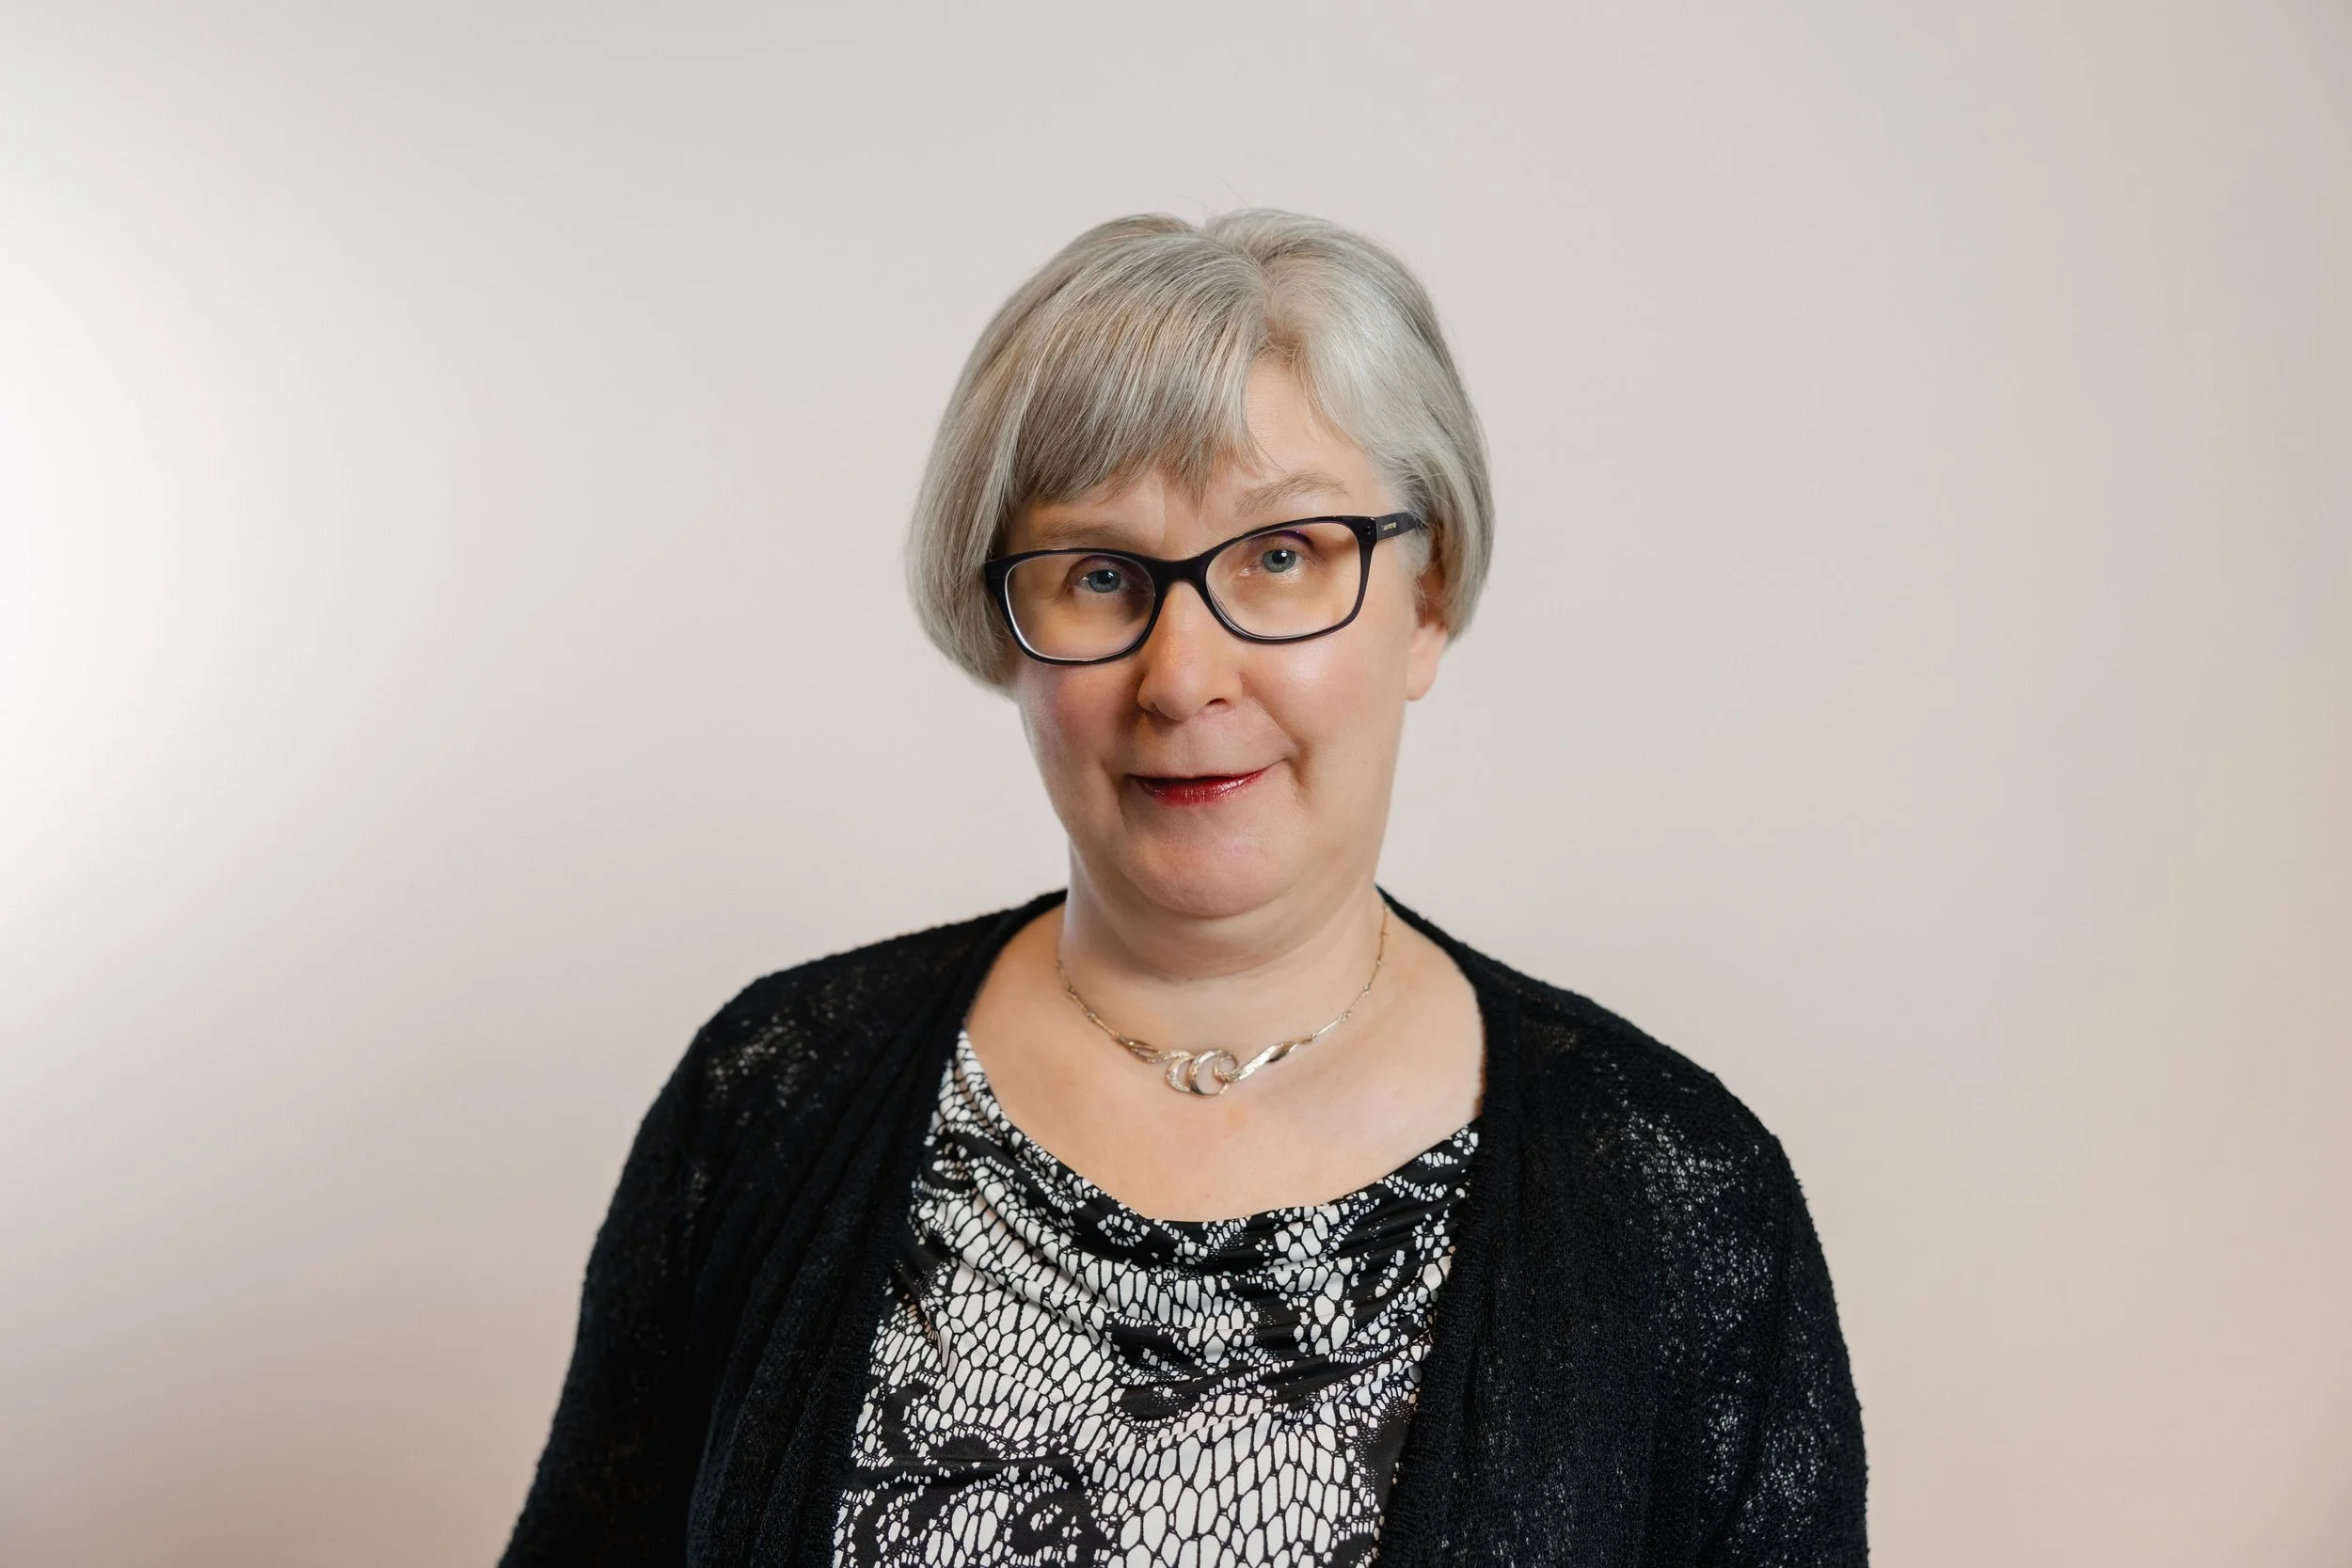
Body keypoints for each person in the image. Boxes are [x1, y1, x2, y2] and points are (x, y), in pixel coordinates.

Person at [500, 211, 1867, 1568]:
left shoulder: (1681, 1190)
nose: (1182, 676)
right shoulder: (768, 1096)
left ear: (1427, 596)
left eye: (1280, 556)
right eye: (1101, 575)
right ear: (1008, 624)